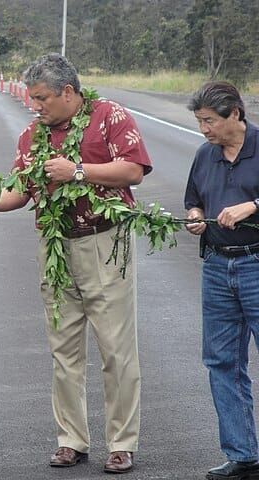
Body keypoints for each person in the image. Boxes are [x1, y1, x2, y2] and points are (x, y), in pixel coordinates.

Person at [0, 53, 152, 473]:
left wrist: (78, 171)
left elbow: (134, 170)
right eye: (32, 98)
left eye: (42, 98)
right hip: (55, 246)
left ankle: (121, 443)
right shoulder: (32, 136)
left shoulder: (109, 116)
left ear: (69, 92)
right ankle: (71, 440)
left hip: (104, 241)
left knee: (116, 351)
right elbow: (19, 192)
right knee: (64, 351)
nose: (35, 106)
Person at [184, 82, 259, 480]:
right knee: (222, 363)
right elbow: (193, 197)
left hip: (256, 263)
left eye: (210, 121)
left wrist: (253, 206)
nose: (204, 129)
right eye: (199, 122)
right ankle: (242, 455)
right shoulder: (204, 155)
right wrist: (196, 215)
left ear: (235, 114)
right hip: (217, 267)